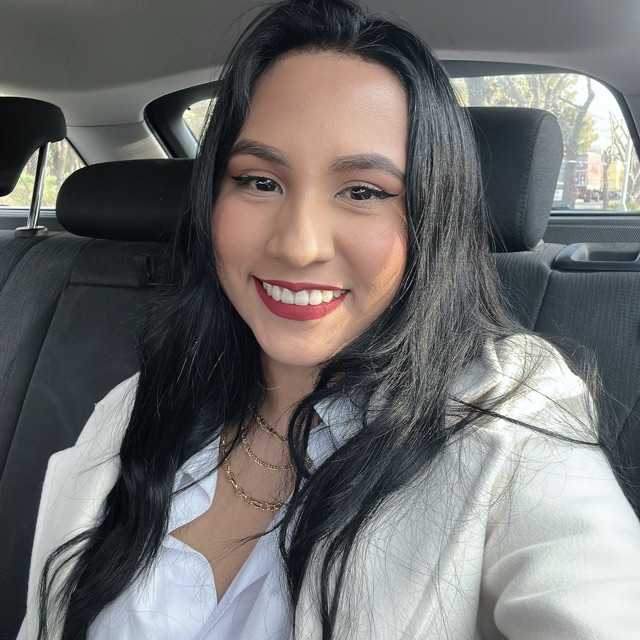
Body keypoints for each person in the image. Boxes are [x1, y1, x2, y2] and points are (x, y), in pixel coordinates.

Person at [18, 0, 640, 638]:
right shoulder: (134, 409)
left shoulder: (507, 415)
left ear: (430, 215)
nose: (298, 245)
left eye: (363, 191)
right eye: (260, 181)